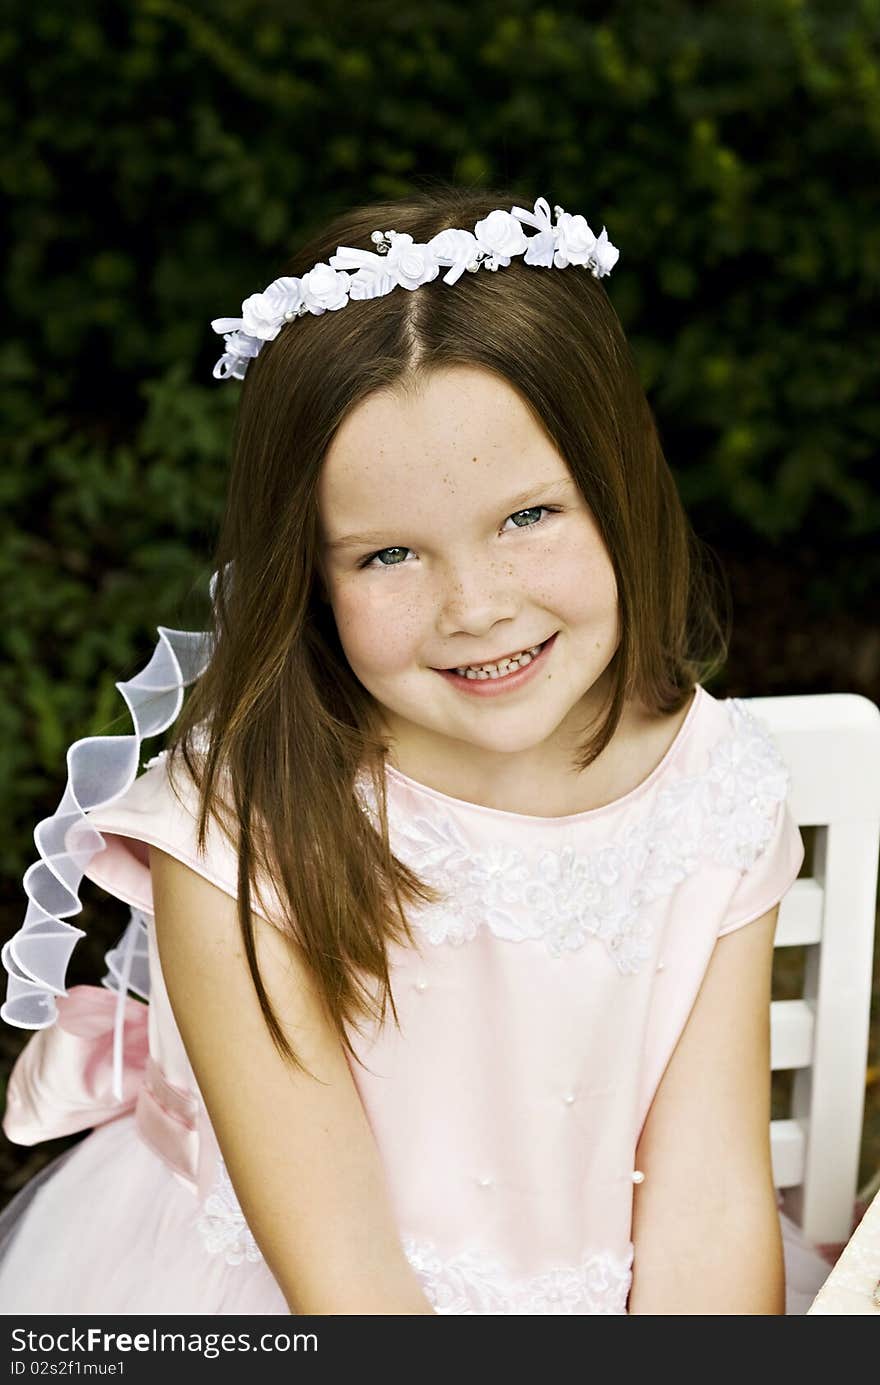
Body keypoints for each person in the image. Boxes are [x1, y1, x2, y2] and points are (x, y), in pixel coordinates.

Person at [0, 185, 834, 1315]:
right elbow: (346, 1284)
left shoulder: (711, 795)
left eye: (528, 517)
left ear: (623, 490)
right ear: (309, 573)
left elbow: (708, 1204)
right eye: (389, 554)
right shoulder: (244, 833)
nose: (475, 606)